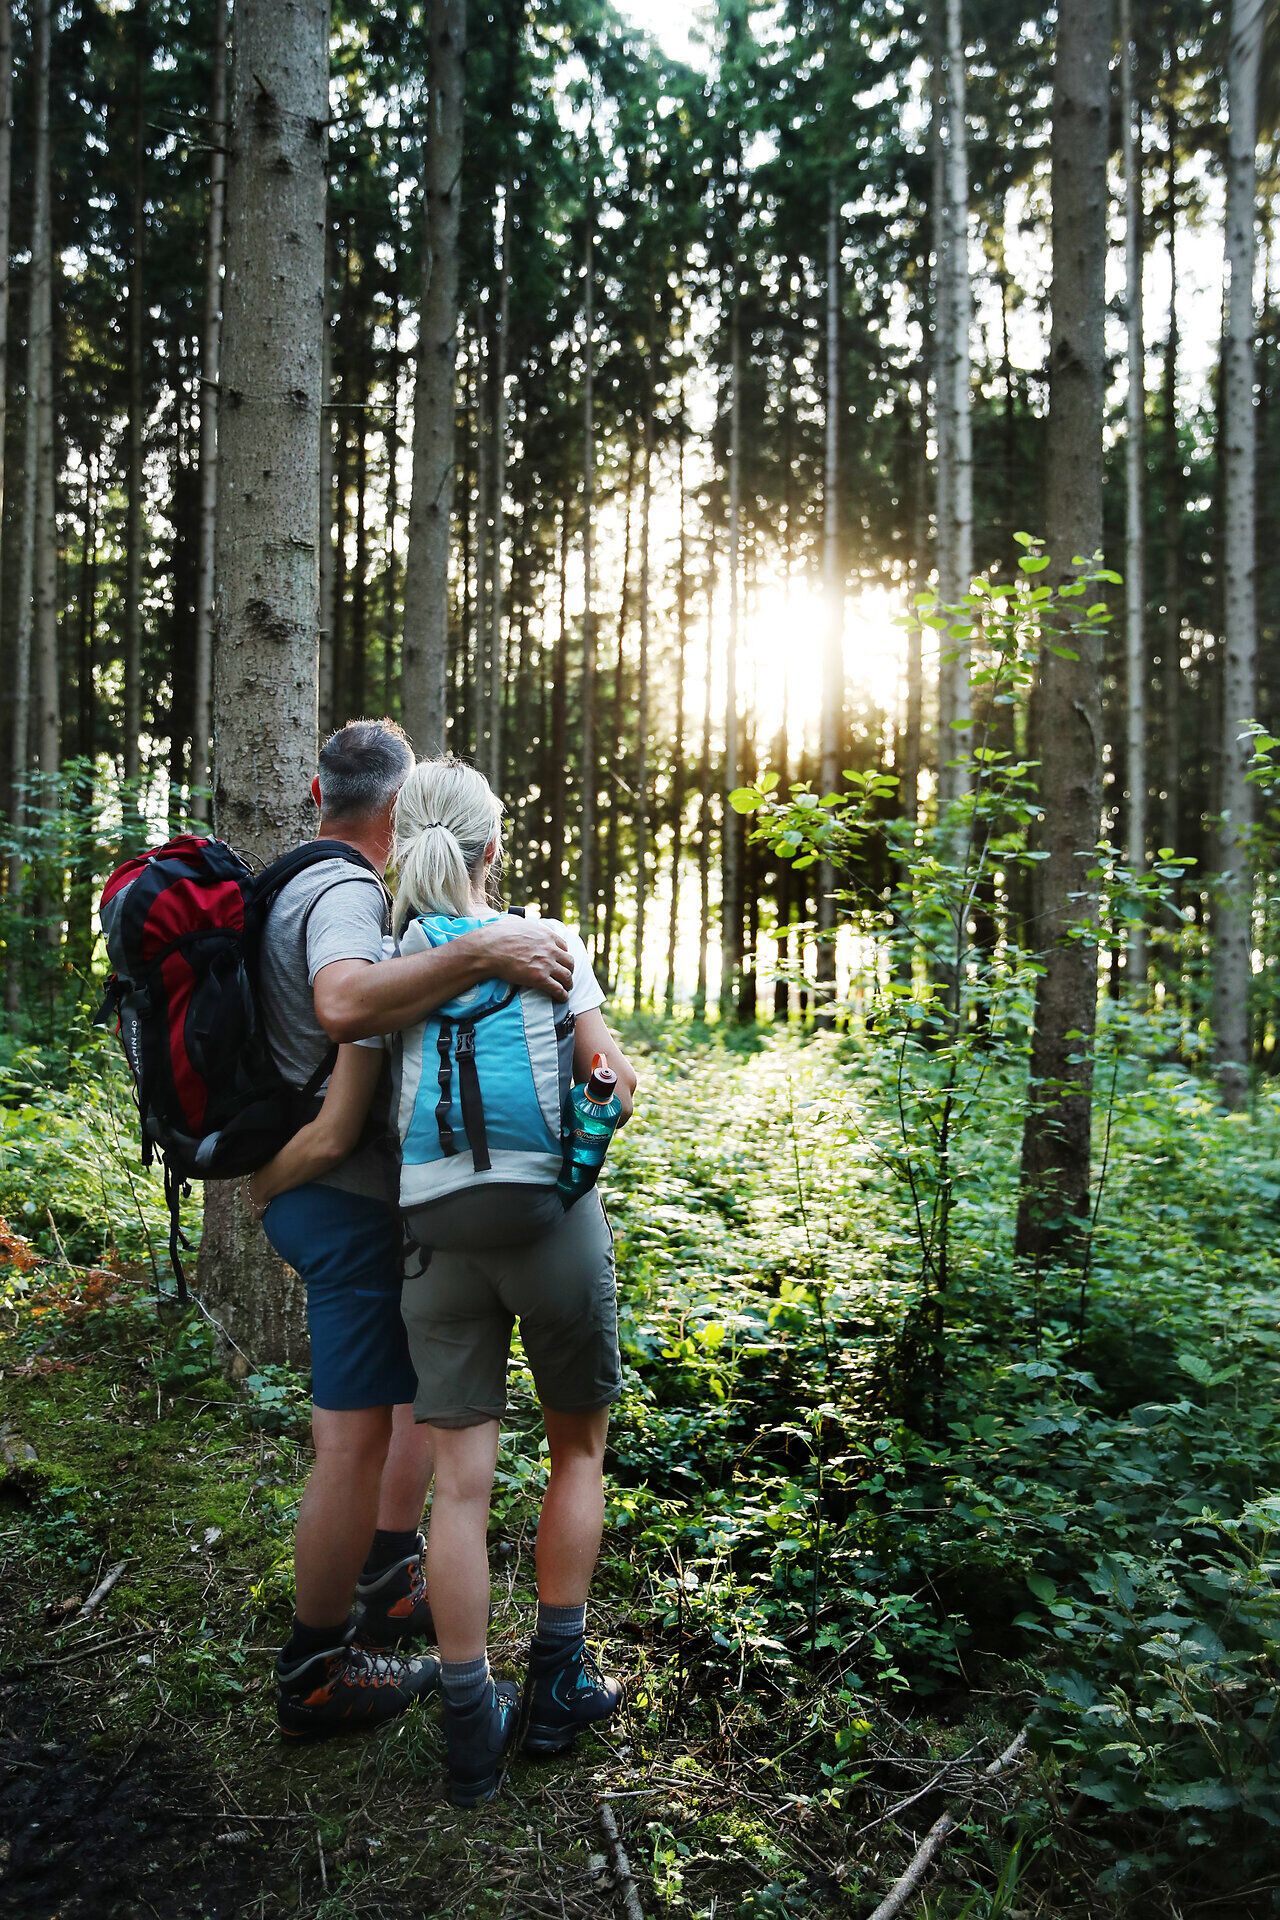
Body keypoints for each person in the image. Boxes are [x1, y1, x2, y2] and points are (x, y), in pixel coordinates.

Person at [247, 720, 576, 1740]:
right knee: (348, 1440)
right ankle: (314, 1668)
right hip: (343, 1202)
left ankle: (391, 1581)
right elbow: (346, 1041)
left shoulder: (296, 881)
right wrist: (276, 1177)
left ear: (314, 789)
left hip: (347, 1201)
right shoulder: (352, 899)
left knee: (394, 1411)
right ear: (404, 815)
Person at [390, 757, 638, 1807]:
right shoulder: (549, 943)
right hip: (547, 1223)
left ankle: (466, 1725)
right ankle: (559, 1679)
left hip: (434, 1234)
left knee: (458, 1487)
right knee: (577, 1446)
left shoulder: (392, 956)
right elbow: (612, 1085)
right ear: (493, 849)